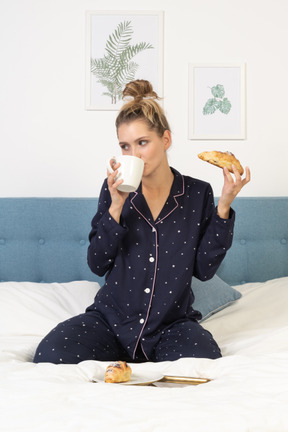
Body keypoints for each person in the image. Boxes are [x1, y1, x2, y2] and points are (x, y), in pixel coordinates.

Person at [34, 80, 250, 364]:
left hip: (171, 325)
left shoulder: (198, 193)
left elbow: (204, 269)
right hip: (111, 321)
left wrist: (224, 206)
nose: (133, 154)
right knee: (50, 353)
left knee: (203, 361)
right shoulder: (114, 191)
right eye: (125, 146)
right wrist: (116, 206)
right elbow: (97, 264)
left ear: (166, 140)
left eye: (142, 143)